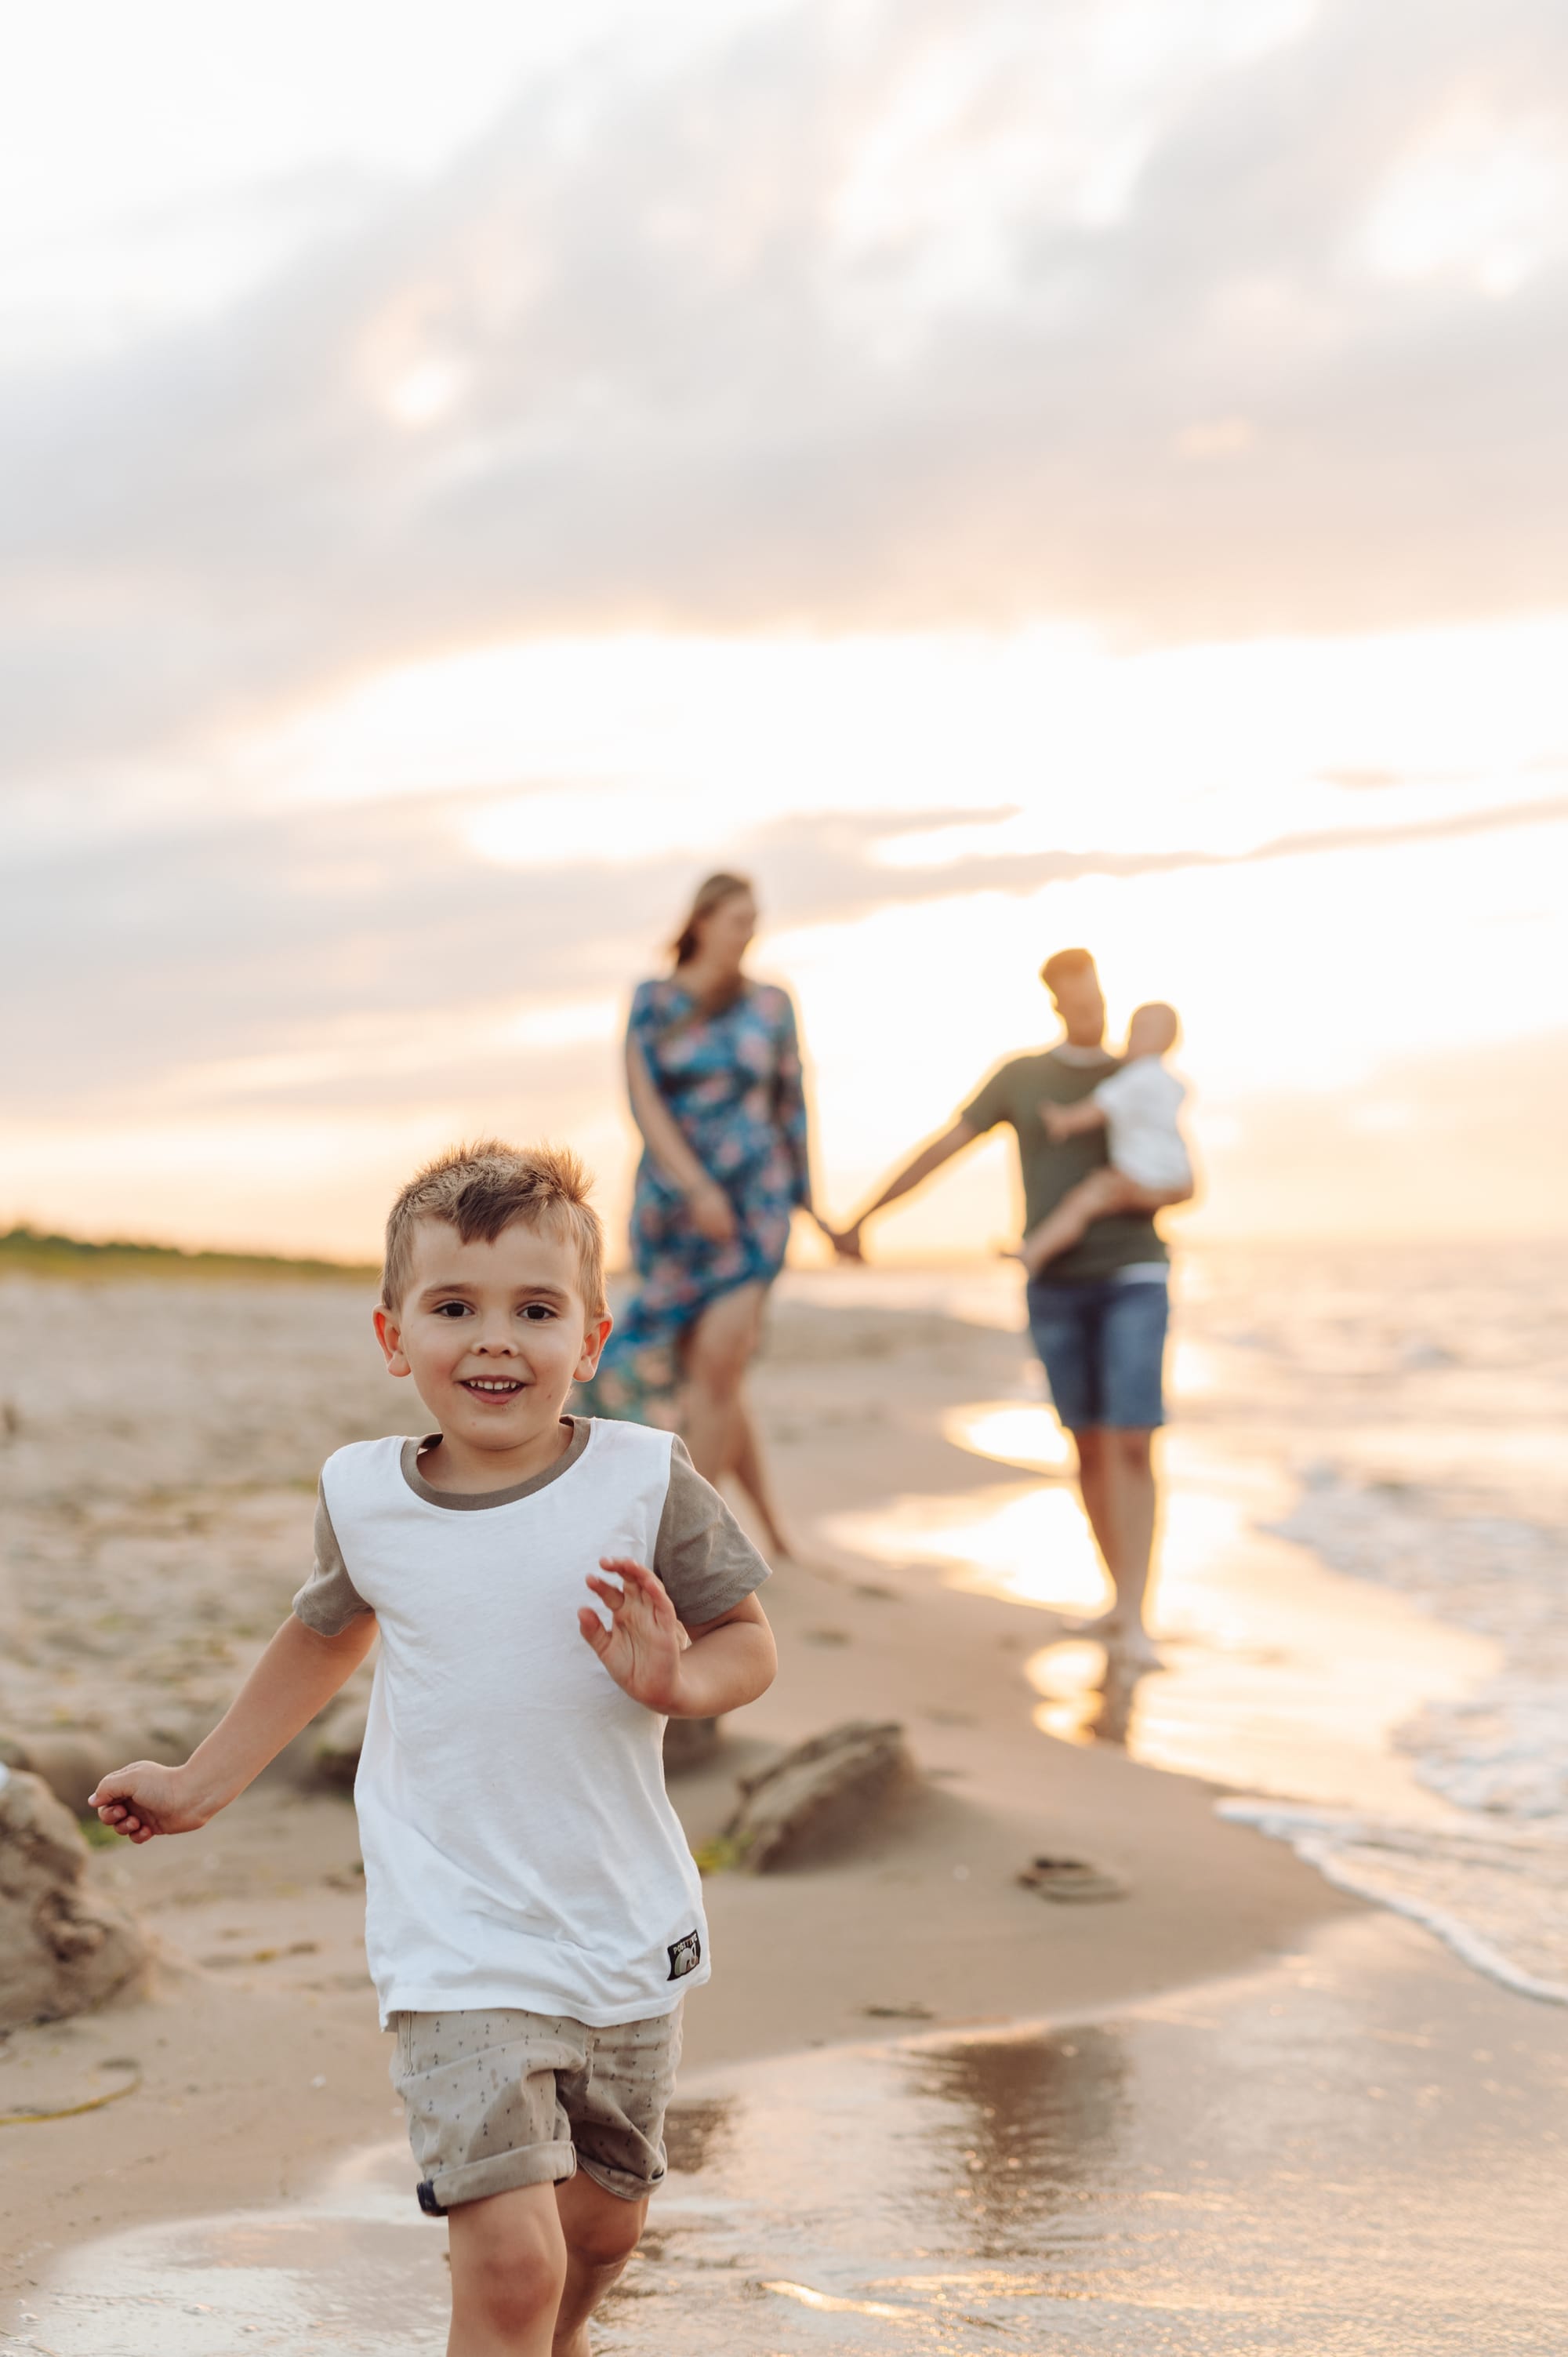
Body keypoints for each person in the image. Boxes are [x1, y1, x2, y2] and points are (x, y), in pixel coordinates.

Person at [89, 1142, 777, 2357]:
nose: (494, 1340)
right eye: (454, 1307)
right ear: (393, 1335)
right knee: (512, 2261)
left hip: (621, 1918)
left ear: (592, 1338)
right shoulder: (368, 1497)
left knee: (601, 2230)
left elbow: (747, 1640)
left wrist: (679, 1679)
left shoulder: (641, 1476)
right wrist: (201, 1782)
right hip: (454, 1935)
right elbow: (323, 1635)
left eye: (535, 1310)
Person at [836, 949, 1192, 1665]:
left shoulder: (1137, 1076)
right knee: (1086, 1442)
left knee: (1132, 1438)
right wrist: (864, 1218)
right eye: (1078, 1004)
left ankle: (1136, 1615)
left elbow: (1186, 1184)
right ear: (1057, 1004)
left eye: (1097, 1000)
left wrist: (1133, 1193)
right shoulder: (1023, 1077)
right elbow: (945, 1147)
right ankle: (1115, 1599)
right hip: (1054, 1284)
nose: (1091, 1013)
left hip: (1134, 1273)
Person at [581, 872, 838, 1558]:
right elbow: (643, 1102)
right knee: (712, 1377)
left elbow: (793, 1104)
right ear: (701, 922)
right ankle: (770, 1530)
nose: (748, 934)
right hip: (675, 1211)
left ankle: (693, 1552)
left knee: (720, 1364)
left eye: (755, 922)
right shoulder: (653, 1000)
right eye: (737, 921)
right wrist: (696, 1188)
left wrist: (812, 1203)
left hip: (757, 1208)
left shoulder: (771, 1003)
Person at [1018, 1001, 1192, 1277]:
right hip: (1175, 1171)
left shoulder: (1135, 1078)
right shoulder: (1170, 1083)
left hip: (1136, 1171)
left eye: (1138, 1032)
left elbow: (1097, 1108)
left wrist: (1064, 1120)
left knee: (1080, 1203)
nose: (1129, 1039)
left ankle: (1034, 1252)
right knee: (1087, 1203)